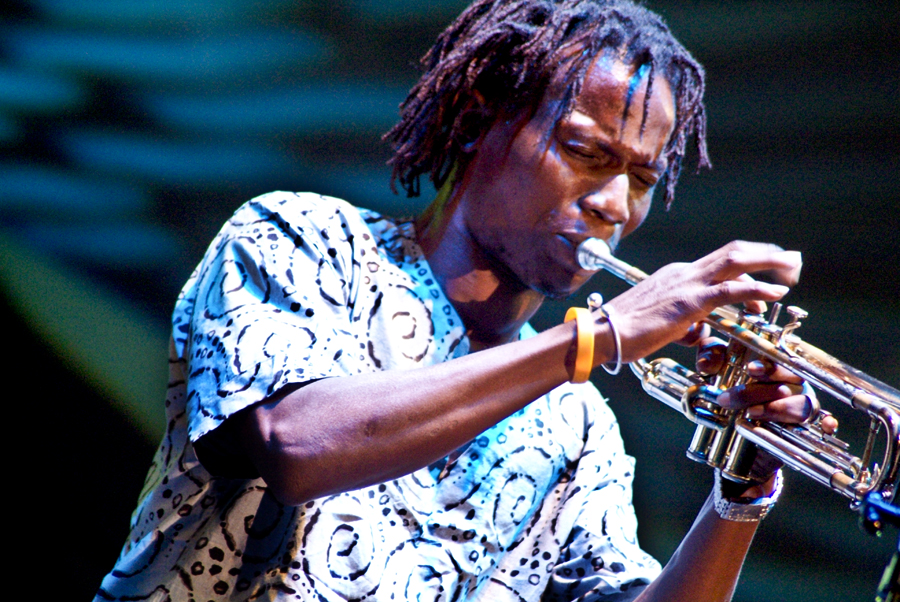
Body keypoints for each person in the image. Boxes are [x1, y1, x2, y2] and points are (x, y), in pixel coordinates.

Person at [95, 1, 824, 601]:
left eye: (640, 177)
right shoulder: (298, 238)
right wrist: (596, 339)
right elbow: (297, 445)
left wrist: (740, 491)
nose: (613, 204)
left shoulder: (578, 426)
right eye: (584, 151)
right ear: (482, 118)